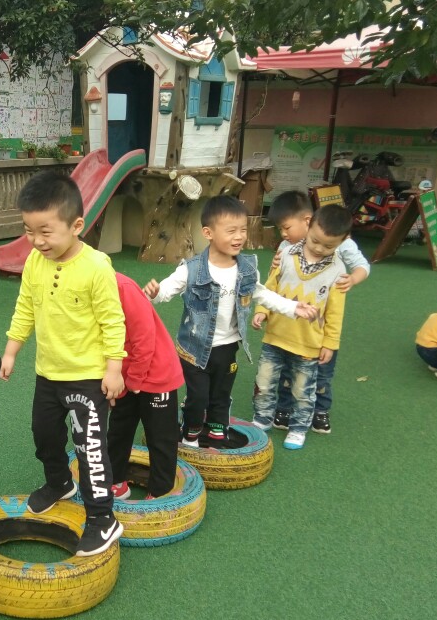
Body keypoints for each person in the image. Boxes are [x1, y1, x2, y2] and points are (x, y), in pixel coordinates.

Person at [1, 169, 126, 557]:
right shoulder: (35, 262)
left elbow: (112, 321)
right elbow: (26, 308)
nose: (37, 241)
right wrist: (11, 350)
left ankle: (103, 518)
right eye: (29, 231)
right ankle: (59, 482)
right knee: (44, 435)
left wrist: (114, 368)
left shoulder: (96, 267)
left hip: (87, 378)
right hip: (48, 375)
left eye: (45, 231)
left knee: (89, 449)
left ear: (76, 226)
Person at [144, 195, 316, 448]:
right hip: (194, 350)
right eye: (231, 231)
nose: (239, 237)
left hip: (228, 347)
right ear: (208, 233)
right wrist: (154, 292)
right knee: (198, 397)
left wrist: (293, 307)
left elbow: (262, 294)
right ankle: (190, 433)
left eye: (243, 230)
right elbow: (167, 290)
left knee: (221, 394)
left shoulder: (246, 268)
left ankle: (217, 430)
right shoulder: (192, 268)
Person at [266, 191, 370, 434]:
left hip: (319, 325)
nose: (283, 234)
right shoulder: (288, 247)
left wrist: (352, 279)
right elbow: (275, 278)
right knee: (287, 368)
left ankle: (320, 410)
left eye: (286, 227)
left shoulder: (338, 241)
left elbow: (362, 266)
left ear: (307, 220)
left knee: (321, 372)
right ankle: (285, 408)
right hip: (291, 326)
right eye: (280, 229)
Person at [252, 204, 352, 450]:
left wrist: (330, 343)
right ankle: (262, 419)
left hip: (309, 344)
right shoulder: (285, 255)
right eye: (315, 240)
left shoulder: (338, 272)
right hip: (275, 336)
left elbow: (335, 313)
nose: (319, 248)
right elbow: (269, 288)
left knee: (303, 390)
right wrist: (262, 311)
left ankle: (298, 428)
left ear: (342, 242)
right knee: (264, 381)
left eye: (328, 246)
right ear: (309, 226)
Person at [108, 272, 185, 500]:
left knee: (160, 437)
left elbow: (144, 339)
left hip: (156, 373)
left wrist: (134, 380)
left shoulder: (123, 288)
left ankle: (160, 491)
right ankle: (115, 481)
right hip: (123, 376)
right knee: (118, 430)